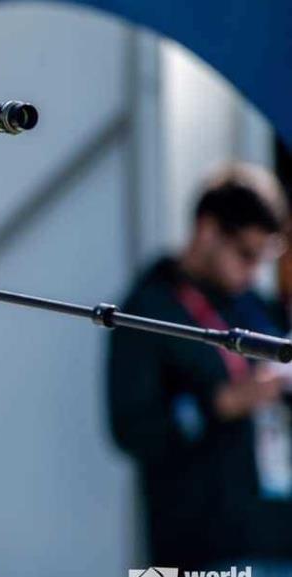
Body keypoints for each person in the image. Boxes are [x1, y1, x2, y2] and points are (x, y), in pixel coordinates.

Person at [108, 163, 292, 572]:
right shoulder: (146, 308)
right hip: (191, 552)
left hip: (277, 542)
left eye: (263, 258)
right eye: (246, 254)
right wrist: (218, 405)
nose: (253, 271)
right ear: (207, 230)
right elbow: (129, 430)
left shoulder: (255, 306)